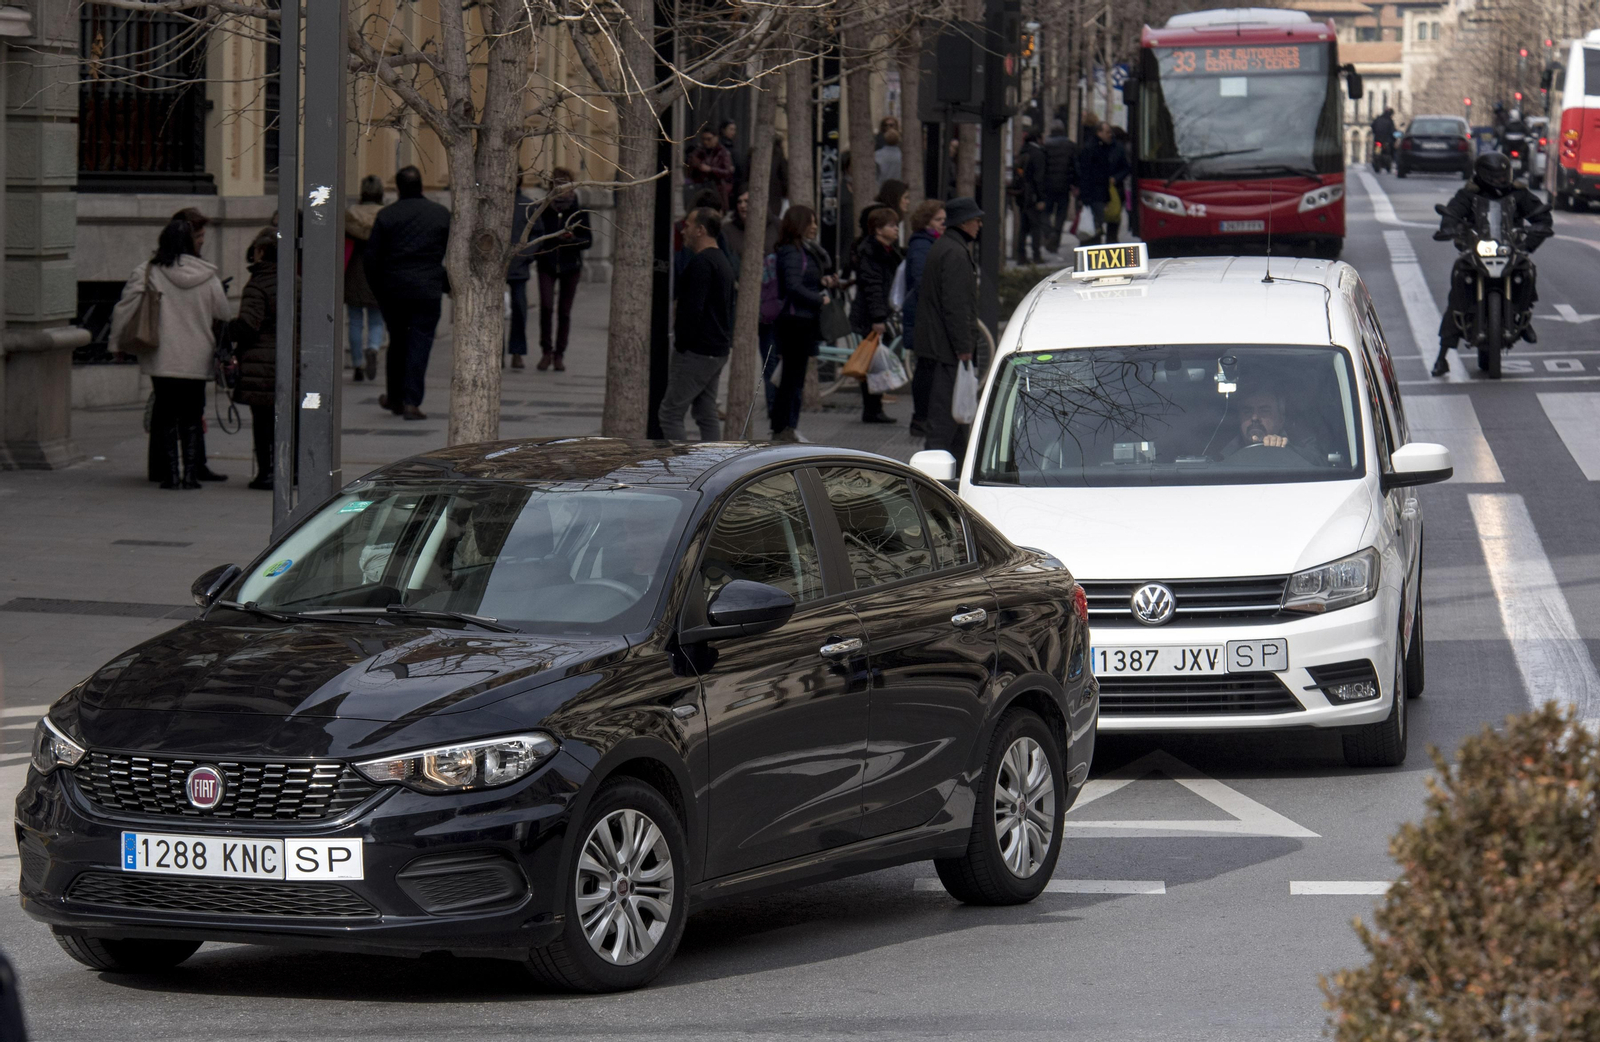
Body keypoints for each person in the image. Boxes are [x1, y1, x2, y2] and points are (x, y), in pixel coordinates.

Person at [110, 218, 230, 489]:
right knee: (192, 414)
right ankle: (190, 475)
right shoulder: (208, 275)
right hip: (197, 356)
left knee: (165, 414)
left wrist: (117, 344)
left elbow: (125, 308)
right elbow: (223, 312)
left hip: (162, 355)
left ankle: (170, 475)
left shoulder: (148, 271)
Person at [1431, 151, 1552, 376]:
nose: (1500, 180)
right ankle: (1442, 356)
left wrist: (1529, 243)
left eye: (1503, 175)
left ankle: (1523, 318)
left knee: (1528, 271)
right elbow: (1453, 213)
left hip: (1511, 249)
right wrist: (1449, 227)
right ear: (1483, 175)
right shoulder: (1468, 194)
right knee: (1458, 288)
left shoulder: (1518, 193)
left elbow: (1541, 217)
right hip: (1475, 251)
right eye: (1495, 176)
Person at [366, 165, 450, 420]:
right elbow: (454, 252)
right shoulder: (440, 214)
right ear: (422, 186)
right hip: (427, 289)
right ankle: (412, 400)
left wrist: (378, 290)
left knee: (397, 342)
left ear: (398, 188)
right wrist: (445, 283)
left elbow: (371, 259)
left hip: (394, 290)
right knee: (420, 342)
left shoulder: (387, 216)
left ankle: (395, 398)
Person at [659, 208, 736, 441]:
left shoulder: (702, 263)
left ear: (701, 230)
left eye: (688, 225)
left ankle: (682, 469)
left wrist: (682, 344)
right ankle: (711, 465)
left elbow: (692, 310)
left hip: (698, 351)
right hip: (716, 349)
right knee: (705, 412)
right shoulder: (722, 260)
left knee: (670, 413)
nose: (684, 230)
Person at [915, 196, 982, 457]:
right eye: (976, 220)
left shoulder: (947, 247)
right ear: (964, 223)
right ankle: (936, 474)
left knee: (955, 420)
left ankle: (954, 471)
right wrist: (964, 347)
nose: (979, 225)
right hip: (946, 350)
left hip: (940, 346)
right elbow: (955, 305)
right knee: (945, 420)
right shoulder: (954, 252)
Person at [229, 228, 292, 490]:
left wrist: (225, 329)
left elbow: (248, 326)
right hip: (292, 360)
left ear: (262, 252)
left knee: (264, 420)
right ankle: (293, 470)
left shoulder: (258, 285)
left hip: (263, 363)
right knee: (290, 420)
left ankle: (266, 472)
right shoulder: (296, 282)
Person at [770, 205, 837, 441]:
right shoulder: (792, 251)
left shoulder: (801, 250)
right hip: (795, 321)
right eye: (811, 222)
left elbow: (800, 280)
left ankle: (787, 425)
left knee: (794, 377)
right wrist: (819, 298)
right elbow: (793, 285)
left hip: (802, 320)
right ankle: (783, 427)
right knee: (791, 377)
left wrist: (821, 282)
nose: (815, 226)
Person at [528, 168, 592, 372]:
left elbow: (588, 241)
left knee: (564, 312)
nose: (562, 189)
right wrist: (544, 246)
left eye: (565, 185)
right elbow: (535, 235)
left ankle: (559, 354)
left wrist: (572, 240)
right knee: (546, 307)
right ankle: (546, 351)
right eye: (557, 185)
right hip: (547, 263)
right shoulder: (542, 208)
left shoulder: (579, 212)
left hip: (570, 266)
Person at [849, 206, 904, 425]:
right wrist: (878, 318)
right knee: (872, 363)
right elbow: (872, 288)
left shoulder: (889, 252)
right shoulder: (872, 253)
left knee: (876, 361)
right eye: (891, 225)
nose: (896, 229)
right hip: (871, 316)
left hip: (880, 314)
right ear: (878, 229)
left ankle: (875, 407)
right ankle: (872, 408)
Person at [903, 199, 945, 437]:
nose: (943, 225)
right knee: (926, 367)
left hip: (924, 313)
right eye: (939, 220)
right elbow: (920, 280)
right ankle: (920, 418)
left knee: (927, 366)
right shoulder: (921, 244)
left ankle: (922, 417)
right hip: (922, 315)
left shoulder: (929, 242)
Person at [345, 175, 386, 382]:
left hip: (354, 270)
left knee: (354, 320)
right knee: (377, 320)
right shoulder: (385, 215)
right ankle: (373, 347)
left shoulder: (351, 214)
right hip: (378, 271)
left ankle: (357, 362)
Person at [1076, 121, 1130, 245]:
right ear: (1099, 133)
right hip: (1096, 195)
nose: (1110, 135)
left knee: (1109, 222)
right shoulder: (1092, 149)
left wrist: (1115, 178)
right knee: (1095, 228)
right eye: (1107, 132)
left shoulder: (1114, 148)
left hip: (1107, 193)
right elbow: (1086, 174)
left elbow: (1125, 167)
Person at [1041, 120, 1079, 254]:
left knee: (1045, 212)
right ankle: (1055, 240)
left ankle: (1049, 232)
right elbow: (1075, 167)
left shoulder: (1045, 146)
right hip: (1064, 185)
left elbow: (1042, 166)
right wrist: (1075, 184)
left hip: (1047, 185)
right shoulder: (1070, 146)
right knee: (1060, 215)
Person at [725, 188, 780, 271]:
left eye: (747, 201)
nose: (742, 206)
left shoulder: (776, 224)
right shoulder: (727, 230)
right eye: (739, 202)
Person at [1014, 131, 1048, 265]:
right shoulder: (1038, 154)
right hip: (1032, 196)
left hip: (1022, 195)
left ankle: (1021, 256)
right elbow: (1039, 178)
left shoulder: (1023, 152)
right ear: (1038, 139)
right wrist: (1041, 198)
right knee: (1035, 226)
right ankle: (1036, 255)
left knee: (1024, 226)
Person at [684, 125, 735, 211]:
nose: (706, 142)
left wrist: (711, 170)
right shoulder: (699, 151)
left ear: (716, 138)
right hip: (700, 188)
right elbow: (690, 171)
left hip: (716, 190)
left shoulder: (723, 152)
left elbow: (728, 172)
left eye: (709, 139)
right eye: (704, 139)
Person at [720, 120, 748, 192]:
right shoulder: (721, 146)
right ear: (723, 130)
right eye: (730, 129)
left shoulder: (732, 145)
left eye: (734, 130)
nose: (733, 132)